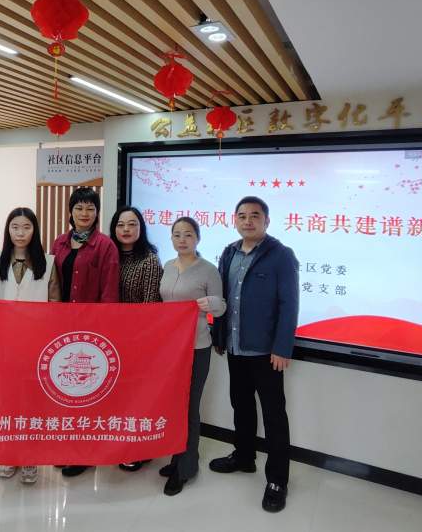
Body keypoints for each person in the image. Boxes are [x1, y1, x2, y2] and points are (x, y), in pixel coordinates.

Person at [210, 196, 299, 513]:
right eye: (242, 216)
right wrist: (219, 336)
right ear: (234, 219)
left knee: (275, 415)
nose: (248, 221)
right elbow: (222, 298)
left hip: (266, 352)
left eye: (255, 216)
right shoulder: (229, 252)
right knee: (241, 405)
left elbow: (289, 304)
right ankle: (244, 456)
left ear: (267, 221)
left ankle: (277, 480)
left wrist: (282, 347)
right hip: (235, 347)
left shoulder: (281, 255)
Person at [51, 186, 119, 477]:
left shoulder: (105, 246)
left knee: (86, 391)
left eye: (90, 208)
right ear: (70, 211)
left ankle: (84, 453)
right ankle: (66, 445)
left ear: (97, 212)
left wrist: (101, 328)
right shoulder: (59, 243)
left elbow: (109, 291)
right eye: (79, 207)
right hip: (60, 326)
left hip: (90, 329)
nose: (84, 213)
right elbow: (51, 282)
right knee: (63, 388)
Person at [158, 216, 225, 496]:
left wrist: (210, 304)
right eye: (177, 235)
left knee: (189, 407)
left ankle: (186, 468)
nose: (182, 239)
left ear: (197, 238)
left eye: (188, 234)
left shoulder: (208, 270)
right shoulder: (167, 266)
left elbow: (221, 306)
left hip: (197, 346)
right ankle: (176, 457)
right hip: (170, 348)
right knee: (173, 406)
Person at [0, 207, 60, 485]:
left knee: (33, 402)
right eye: (15, 227)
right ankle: (9, 454)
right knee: (7, 401)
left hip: (37, 345)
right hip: (5, 345)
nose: (20, 233)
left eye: (26, 227)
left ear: (35, 230)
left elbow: (55, 304)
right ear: (8, 230)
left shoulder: (48, 262)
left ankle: (30, 456)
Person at [108, 205, 163, 473]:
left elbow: (150, 306)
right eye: (121, 224)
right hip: (110, 339)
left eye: (132, 224)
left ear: (141, 228)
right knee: (117, 396)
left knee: (137, 396)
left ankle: (139, 449)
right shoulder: (109, 256)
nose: (126, 229)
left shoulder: (149, 260)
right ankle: (119, 444)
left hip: (137, 340)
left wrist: (136, 339)